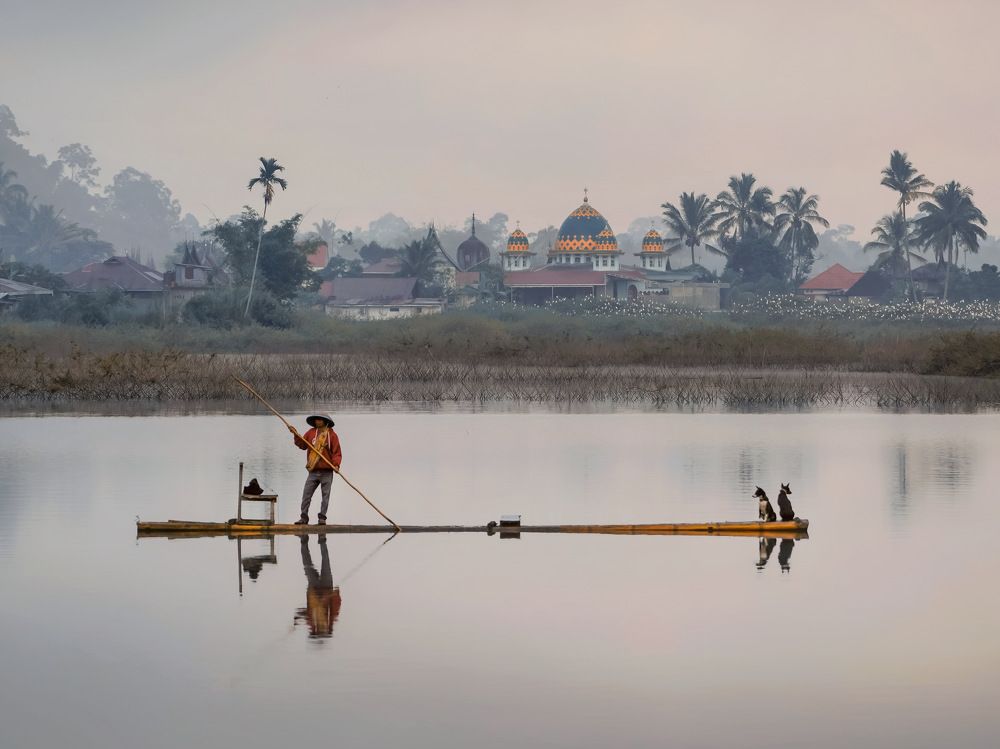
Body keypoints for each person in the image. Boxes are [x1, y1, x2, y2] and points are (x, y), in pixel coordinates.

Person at [290, 413, 342, 525]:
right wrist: (295, 434)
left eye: (320, 420)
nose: (317, 421)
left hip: (327, 472)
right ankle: (304, 518)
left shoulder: (332, 435)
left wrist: (336, 465)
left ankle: (322, 518)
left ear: (325, 422)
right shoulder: (311, 433)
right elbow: (303, 445)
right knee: (306, 495)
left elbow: (336, 453)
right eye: (316, 420)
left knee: (325, 496)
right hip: (313, 471)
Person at [294, 534, 342, 639]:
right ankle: (322, 539)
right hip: (327, 585)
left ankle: (304, 540)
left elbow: (305, 612)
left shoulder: (311, 621)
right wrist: (334, 593)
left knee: (306, 563)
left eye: (320, 630)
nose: (322, 627)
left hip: (313, 588)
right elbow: (337, 603)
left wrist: (298, 618)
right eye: (323, 629)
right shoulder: (331, 618)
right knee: (325, 559)